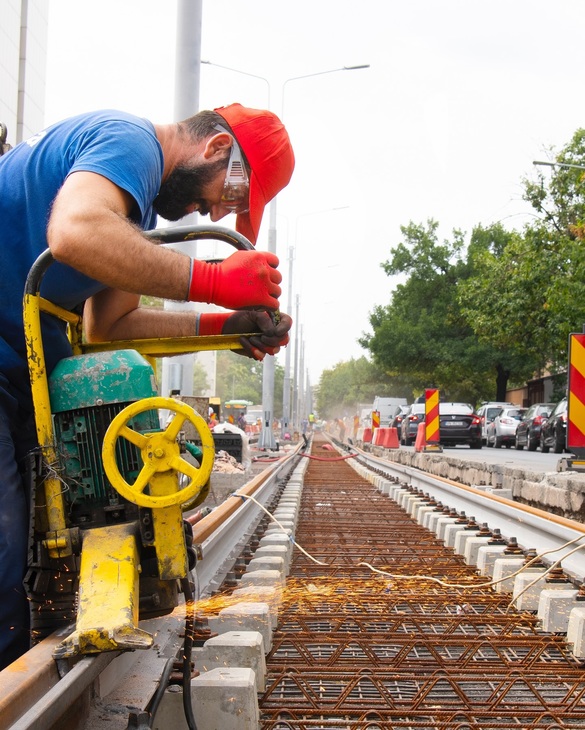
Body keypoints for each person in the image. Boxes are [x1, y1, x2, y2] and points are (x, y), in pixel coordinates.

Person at [0, 103, 295, 670]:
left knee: (36, 537)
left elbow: (107, 326)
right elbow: (74, 232)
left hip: (21, 363)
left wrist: (226, 326)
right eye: (223, 199)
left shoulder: (135, 217)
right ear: (215, 150)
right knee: (5, 544)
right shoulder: (127, 142)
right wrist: (211, 281)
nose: (211, 211)